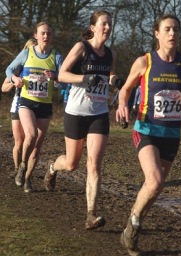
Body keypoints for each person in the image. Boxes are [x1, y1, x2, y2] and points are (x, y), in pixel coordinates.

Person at [116, 14, 181, 256]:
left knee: (155, 187)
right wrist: (122, 105)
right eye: (167, 29)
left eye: (176, 29)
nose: (172, 33)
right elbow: (126, 89)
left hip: (172, 134)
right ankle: (133, 228)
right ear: (157, 34)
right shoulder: (144, 62)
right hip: (146, 129)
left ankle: (132, 222)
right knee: (155, 181)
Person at [43, 10, 124, 230]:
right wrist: (85, 78)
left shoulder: (110, 53)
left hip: (98, 113)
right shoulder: (81, 48)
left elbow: (109, 73)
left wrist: (116, 80)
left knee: (94, 164)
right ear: (92, 27)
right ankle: (52, 167)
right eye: (104, 24)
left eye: (110, 24)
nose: (107, 28)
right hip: (76, 112)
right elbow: (61, 75)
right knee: (71, 164)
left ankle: (91, 214)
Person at [5, 22, 64, 193]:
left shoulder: (57, 57)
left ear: (52, 37)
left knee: (37, 146)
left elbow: (64, 83)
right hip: (26, 102)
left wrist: (55, 78)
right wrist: (14, 79)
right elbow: (9, 69)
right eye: (43, 33)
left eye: (49, 34)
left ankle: (28, 178)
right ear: (36, 35)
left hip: (45, 105)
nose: (46, 36)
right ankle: (22, 167)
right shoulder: (27, 53)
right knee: (30, 134)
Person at [1, 39, 37, 178]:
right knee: (19, 141)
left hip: (34, 104)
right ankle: (17, 169)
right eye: (32, 50)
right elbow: (3, 88)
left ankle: (26, 172)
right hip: (18, 104)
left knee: (31, 140)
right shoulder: (17, 67)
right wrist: (14, 82)